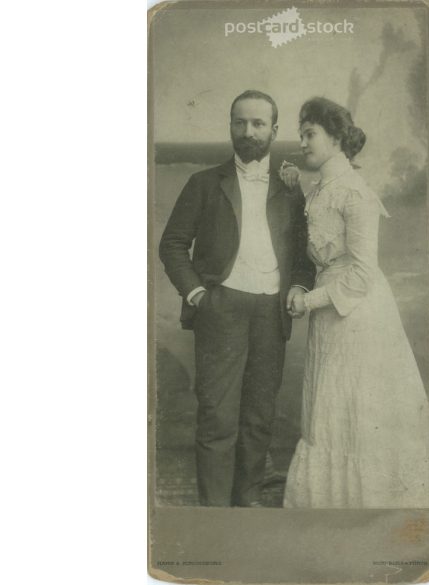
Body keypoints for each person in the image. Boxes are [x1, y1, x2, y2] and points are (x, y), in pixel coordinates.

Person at [159, 90, 315, 507]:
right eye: (240, 123)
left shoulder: (289, 190)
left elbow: (304, 257)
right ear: (230, 127)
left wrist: (299, 286)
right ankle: (214, 519)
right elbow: (172, 244)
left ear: (274, 130)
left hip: (270, 313)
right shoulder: (204, 183)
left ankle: (244, 511)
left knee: (258, 421)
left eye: (258, 124)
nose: (249, 132)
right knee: (217, 419)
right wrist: (198, 295)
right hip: (221, 309)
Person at [281, 97, 429, 508]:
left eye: (309, 133)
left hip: (358, 315)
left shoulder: (355, 193)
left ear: (335, 138)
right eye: (301, 133)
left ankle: (362, 511)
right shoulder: (319, 190)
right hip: (329, 315)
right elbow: (315, 250)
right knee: (328, 413)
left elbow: (363, 273)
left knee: (354, 412)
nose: (302, 142)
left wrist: (310, 300)